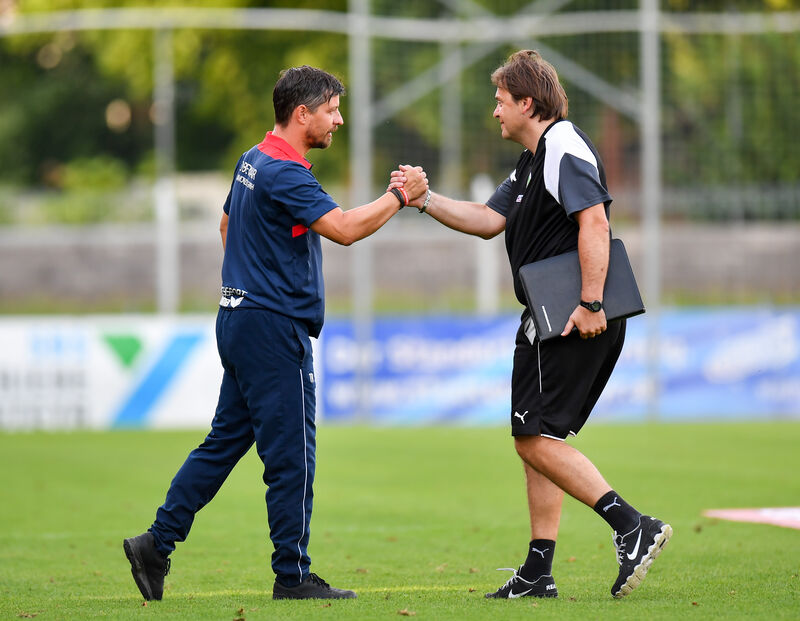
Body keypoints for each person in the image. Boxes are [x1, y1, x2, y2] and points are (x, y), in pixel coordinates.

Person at [123, 65, 427, 602]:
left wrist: (246, 282)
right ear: (301, 113)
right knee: (292, 457)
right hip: (271, 328)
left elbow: (225, 226)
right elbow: (346, 230)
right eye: (331, 110)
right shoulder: (286, 172)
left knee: (223, 444)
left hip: (237, 318)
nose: (339, 120)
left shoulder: (252, 160)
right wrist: (401, 196)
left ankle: (156, 543)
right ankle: (293, 576)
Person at [391, 50, 671, 600]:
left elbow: (594, 220)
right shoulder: (533, 160)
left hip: (569, 315)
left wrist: (591, 303)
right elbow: (489, 221)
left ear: (527, 102)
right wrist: (424, 201)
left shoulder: (562, 144)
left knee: (531, 440)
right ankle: (538, 571)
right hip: (555, 314)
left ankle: (631, 525)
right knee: (538, 436)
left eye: (500, 102)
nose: (495, 112)